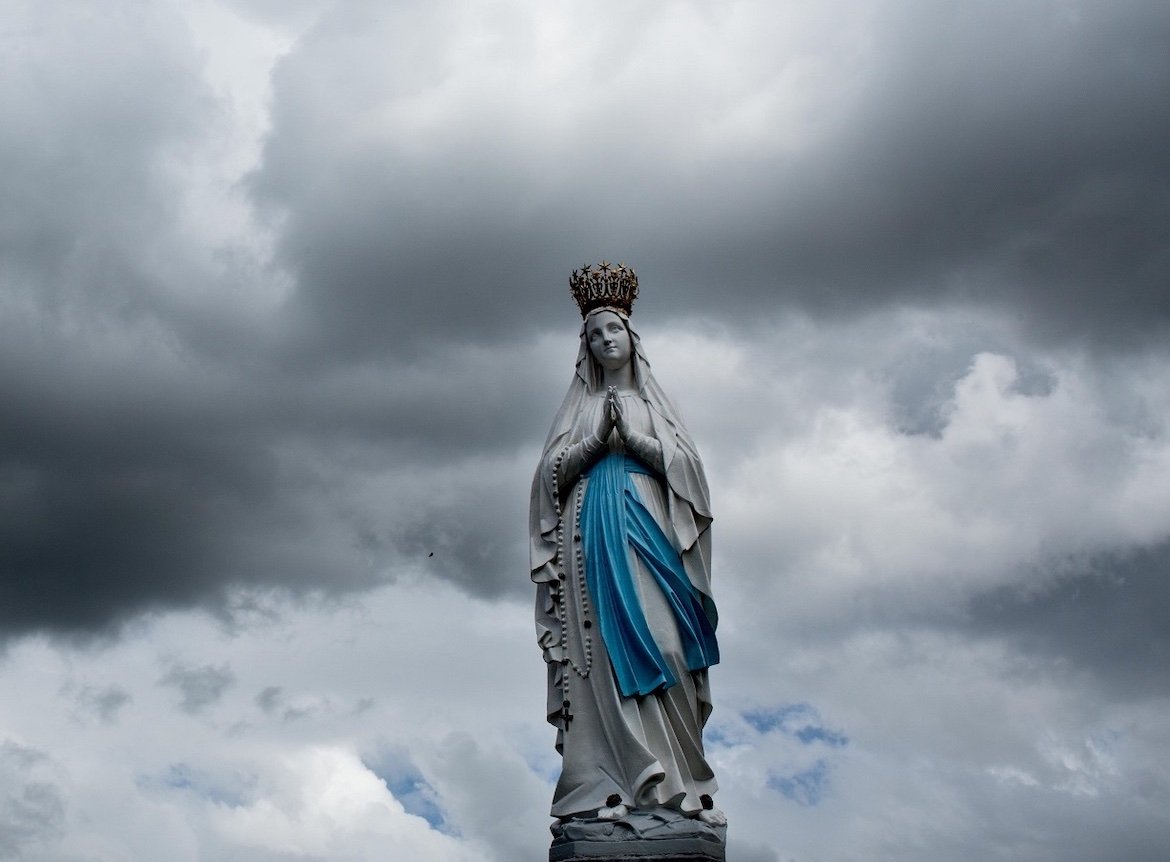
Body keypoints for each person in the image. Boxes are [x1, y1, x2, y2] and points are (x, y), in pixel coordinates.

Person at [530, 263, 725, 826]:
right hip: (591, 538)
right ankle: (608, 785)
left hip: (650, 532)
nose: (603, 339)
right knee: (602, 661)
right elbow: (548, 481)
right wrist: (593, 442)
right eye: (593, 334)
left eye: (611, 329)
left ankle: (682, 784)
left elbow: (692, 478)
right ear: (584, 347)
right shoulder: (579, 409)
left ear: (631, 337)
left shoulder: (654, 405)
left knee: (666, 647)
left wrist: (635, 441)